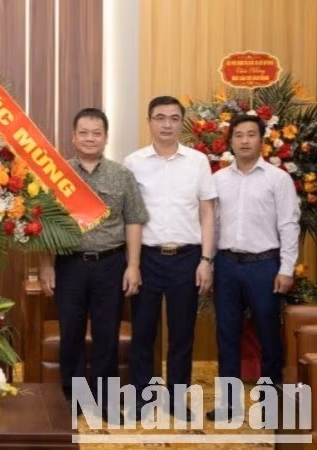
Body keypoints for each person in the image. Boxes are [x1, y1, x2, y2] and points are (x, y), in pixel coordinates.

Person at [39, 108, 148, 423]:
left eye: (96, 133)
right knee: (70, 333)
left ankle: (105, 401)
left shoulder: (121, 174)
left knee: (106, 334)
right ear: (73, 136)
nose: (90, 138)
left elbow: (134, 221)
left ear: (105, 137)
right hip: (69, 265)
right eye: (83, 132)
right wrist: (46, 267)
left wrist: (133, 266)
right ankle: (71, 400)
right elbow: (45, 225)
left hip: (111, 264)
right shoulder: (57, 174)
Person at [123, 96, 216, 420]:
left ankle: (177, 399)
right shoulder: (133, 162)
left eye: (174, 118)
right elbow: (129, 217)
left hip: (187, 258)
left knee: (181, 334)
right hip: (147, 257)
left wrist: (206, 260)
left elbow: (207, 213)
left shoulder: (197, 161)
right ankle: (142, 398)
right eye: (160, 118)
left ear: (181, 123)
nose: (166, 124)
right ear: (149, 122)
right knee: (144, 332)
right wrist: (132, 264)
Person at [207, 114, 300, 421]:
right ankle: (228, 405)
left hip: (265, 266)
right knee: (227, 334)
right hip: (227, 266)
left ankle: (271, 404)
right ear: (230, 141)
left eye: (251, 134)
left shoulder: (278, 179)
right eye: (238, 135)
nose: (245, 140)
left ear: (262, 140)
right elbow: (212, 225)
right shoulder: (217, 180)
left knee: (269, 335)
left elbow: (289, 225)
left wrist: (286, 268)